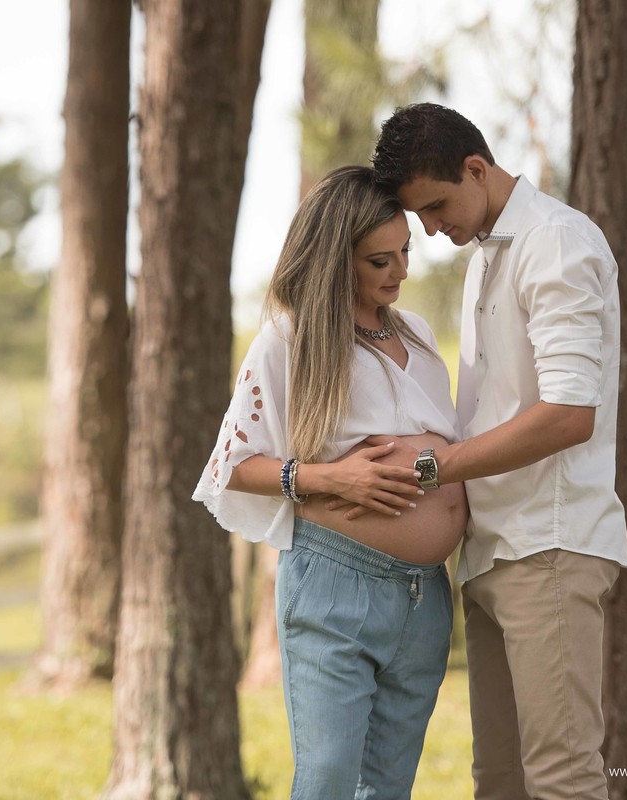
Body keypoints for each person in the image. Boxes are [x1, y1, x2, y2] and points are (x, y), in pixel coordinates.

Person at [362, 103, 627, 800]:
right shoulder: (490, 255)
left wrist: (433, 467)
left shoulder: (556, 243)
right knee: (500, 784)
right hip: (492, 553)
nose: (430, 228)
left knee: (563, 780)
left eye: (437, 205)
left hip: (549, 545)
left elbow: (570, 415)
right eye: (418, 215)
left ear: (476, 168)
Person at [193, 165, 469, 800]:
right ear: (336, 259)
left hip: (425, 596)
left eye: (405, 252)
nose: (400, 270)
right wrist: (328, 477)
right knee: (325, 783)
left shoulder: (418, 336)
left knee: (389, 787)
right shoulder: (288, 340)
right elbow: (230, 466)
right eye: (380, 260)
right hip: (335, 588)